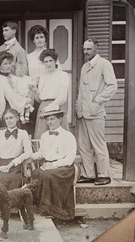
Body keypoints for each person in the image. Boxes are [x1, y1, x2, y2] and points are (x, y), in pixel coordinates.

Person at [76, 38, 117, 186]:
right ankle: (88, 174)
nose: (86, 52)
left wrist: (97, 100)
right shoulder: (84, 67)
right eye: (85, 49)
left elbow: (112, 86)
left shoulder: (104, 64)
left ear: (96, 49)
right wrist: (78, 107)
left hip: (96, 112)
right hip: (83, 113)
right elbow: (81, 89)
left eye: (89, 49)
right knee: (83, 145)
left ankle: (104, 175)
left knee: (98, 145)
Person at [31, 109, 77, 220]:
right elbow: (42, 153)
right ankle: (41, 206)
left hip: (64, 167)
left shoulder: (68, 136)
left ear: (60, 119)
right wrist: (30, 156)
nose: (49, 122)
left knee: (48, 176)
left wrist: (54, 165)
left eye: (52, 119)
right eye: (47, 120)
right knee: (36, 173)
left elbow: (70, 158)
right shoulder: (44, 136)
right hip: (48, 165)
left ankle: (53, 209)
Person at [34, 49, 69, 139]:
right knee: (42, 137)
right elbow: (40, 98)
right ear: (43, 63)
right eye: (46, 61)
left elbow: (62, 98)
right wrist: (34, 91)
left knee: (57, 137)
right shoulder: (43, 76)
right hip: (43, 108)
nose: (48, 64)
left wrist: (48, 109)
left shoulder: (63, 75)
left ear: (55, 61)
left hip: (56, 108)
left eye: (50, 61)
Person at [0, 108, 32, 190]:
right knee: (1, 180)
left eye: (11, 118)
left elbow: (28, 152)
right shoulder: (0, 133)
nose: (9, 121)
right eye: (6, 118)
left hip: (15, 165)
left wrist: (14, 162)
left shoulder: (23, 133)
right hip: (1, 165)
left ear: (17, 118)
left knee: (15, 179)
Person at [0, 51, 31, 123]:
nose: (8, 66)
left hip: (15, 104)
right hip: (8, 107)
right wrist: (25, 100)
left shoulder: (11, 77)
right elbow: (10, 95)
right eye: (5, 64)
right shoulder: (0, 79)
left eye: (9, 63)